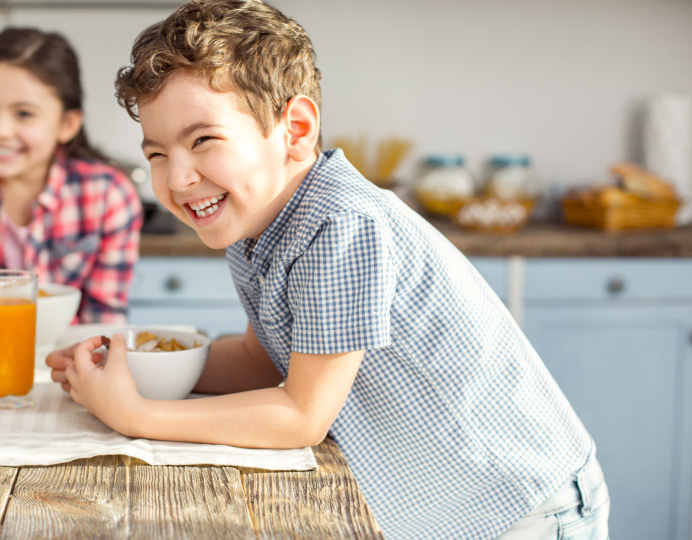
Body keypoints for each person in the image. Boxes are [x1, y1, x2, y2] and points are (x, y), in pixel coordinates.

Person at [46, 1, 610, 537]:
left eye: (204, 141)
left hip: (526, 511)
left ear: (295, 130)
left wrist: (135, 413)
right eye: (157, 155)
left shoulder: (341, 222)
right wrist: (128, 364)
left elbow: (299, 415)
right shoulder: (257, 228)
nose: (177, 178)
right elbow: (259, 362)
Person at [0, 28, 143, 323]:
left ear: (68, 123)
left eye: (23, 114)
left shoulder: (110, 196)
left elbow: (103, 318)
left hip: (71, 361)